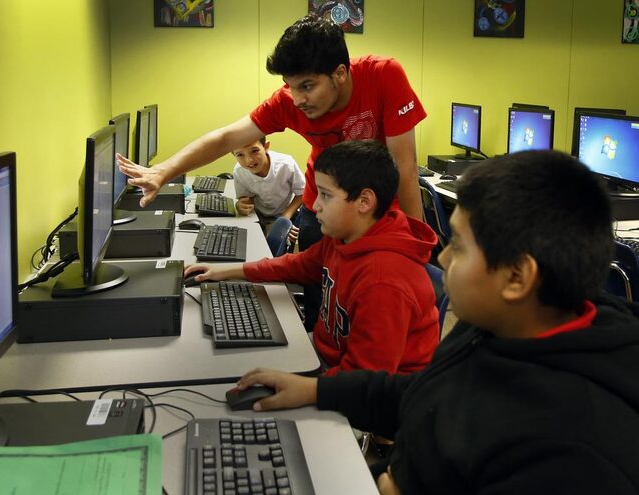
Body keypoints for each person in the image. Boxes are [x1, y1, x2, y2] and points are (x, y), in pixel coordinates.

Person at [233, 150, 639, 494]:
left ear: (517, 278)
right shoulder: (497, 325)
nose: (441, 258)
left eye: (458, 247)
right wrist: (316, 388)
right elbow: (422, 393)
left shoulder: (573, 453)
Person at [118, 15, 427, 332]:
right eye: (290, 87)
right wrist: (163, 172)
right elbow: (227, 138)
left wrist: (416, 247)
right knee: (323, 304)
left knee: (379, 307)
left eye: (307, 86)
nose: (297, 99)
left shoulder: (383, 75)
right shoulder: (289, 102)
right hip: (323, 206)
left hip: (376, 210)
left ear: (340, 73)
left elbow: (404, 167)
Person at [186, 140, 439, 375]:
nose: (314, 205)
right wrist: (225, 271)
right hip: (326, 352)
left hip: (363, 389)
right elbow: (297, 264)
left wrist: (305, 388)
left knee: (239, 374)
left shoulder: (385, 281)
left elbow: (366, 378)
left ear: (364, 201)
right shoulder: (343, 236)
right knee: (229, 362)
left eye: (325, 195)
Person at [231, 137, 305, 237]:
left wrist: (285, 218)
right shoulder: (239, 171)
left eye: (254, 151)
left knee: (280, 244)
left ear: (266, 146)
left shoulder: (286, 164)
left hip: (287, 213)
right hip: (258, 215)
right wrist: (240, 206)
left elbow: (302, 193)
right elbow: (247, 199)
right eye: (240, 155)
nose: (249, 160)